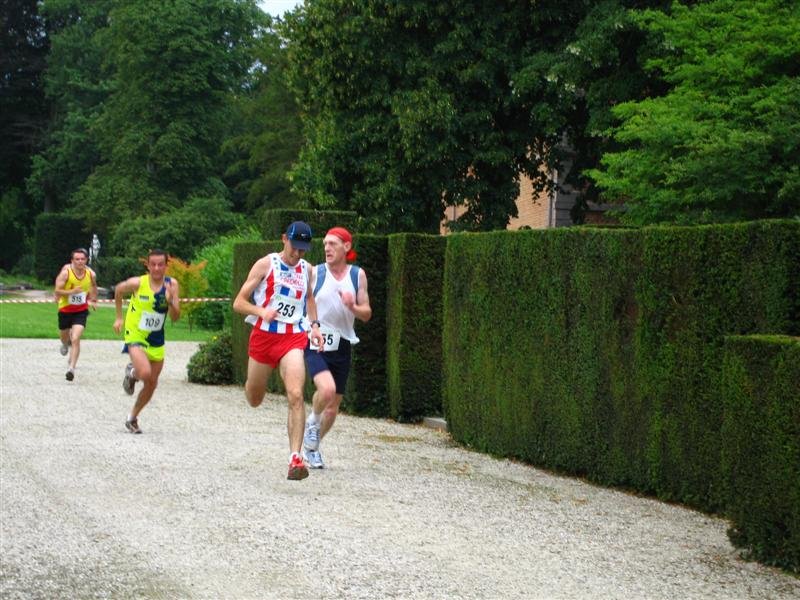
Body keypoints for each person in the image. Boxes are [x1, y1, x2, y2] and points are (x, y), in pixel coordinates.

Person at [233, 221, 324, 481]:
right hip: (263, 338)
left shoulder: (307, 269)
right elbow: (239, 302)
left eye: (303, 249)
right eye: (294, 247)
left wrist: (314, 326)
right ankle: (251, 386)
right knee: (254, 398)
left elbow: (309, 299)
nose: (297, 253)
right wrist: (261, 311)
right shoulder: (265, 264)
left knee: (296, 394)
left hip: (292, 337)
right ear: (284, 239)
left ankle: (295, 458)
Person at [303, 227, 371, 468]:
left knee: (332, 409)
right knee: (327, 390)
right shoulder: (315, 272)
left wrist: (352, 307)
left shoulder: (357, 275)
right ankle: (312, 421)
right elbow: (304, 301)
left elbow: (366, 313)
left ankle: (312, 448)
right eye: (325, 244)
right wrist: (311, 326)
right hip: (315, 340)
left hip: (342, 343)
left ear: (347, 247)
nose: (327, 248)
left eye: (332, 244)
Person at [113, 249, 181, 434]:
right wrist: (119, 317)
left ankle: (132, 418)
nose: (157, 268)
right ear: (148, 266)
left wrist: (170, 302)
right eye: (153, 264)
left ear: (166, 265)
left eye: (161, 264)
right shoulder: (138, 283)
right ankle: (133, 372)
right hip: (135, 333)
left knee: (152, 383)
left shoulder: (172, 285)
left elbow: (175, 317)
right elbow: (118, 290)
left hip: (156, 338)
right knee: (144, 372)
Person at [54, 248, 98, 381]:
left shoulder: (91, 274)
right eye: (77, 259)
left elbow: (93, 286)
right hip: (65, 310)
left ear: (86, 260)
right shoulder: (66, 273)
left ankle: (71, 368)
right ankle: (64, 343)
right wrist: (71, 292)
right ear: (72, 260)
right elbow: (57, 291)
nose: (80, 261)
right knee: (65, 337)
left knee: (76, 338)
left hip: (81, 311)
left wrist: (93, 299)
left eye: (82, 259)